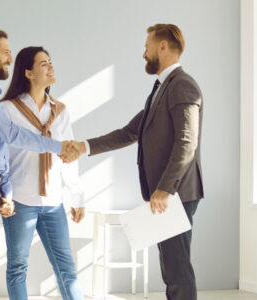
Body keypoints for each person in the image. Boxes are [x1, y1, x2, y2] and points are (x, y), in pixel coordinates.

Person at [69, 24, 204, 300]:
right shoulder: (161, 88)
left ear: (163, 46)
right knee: (170, 267)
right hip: (167, 193)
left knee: (176, 269)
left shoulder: (183, 85)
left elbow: (187, 143)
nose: (144, 53)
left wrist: (165, 189)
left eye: (147, 46)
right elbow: (130, 132)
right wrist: (83, 147)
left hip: (176, 193)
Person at [0, 29, 81, 300]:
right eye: (5, 52)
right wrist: (58, 146)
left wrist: (3, 189)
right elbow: (9, 135)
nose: (10, 58)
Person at [0, 46, 85, 300]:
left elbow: (69, 155)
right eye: (43, 64)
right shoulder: (8, 110)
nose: (51, 67)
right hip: (20, 200)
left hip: (53, 202)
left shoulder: (61, 111)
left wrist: (77, 197)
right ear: (28, 72)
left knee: (66, 268)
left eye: (50, 62)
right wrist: (4, 195)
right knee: (17, 268)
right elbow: (0, 158)